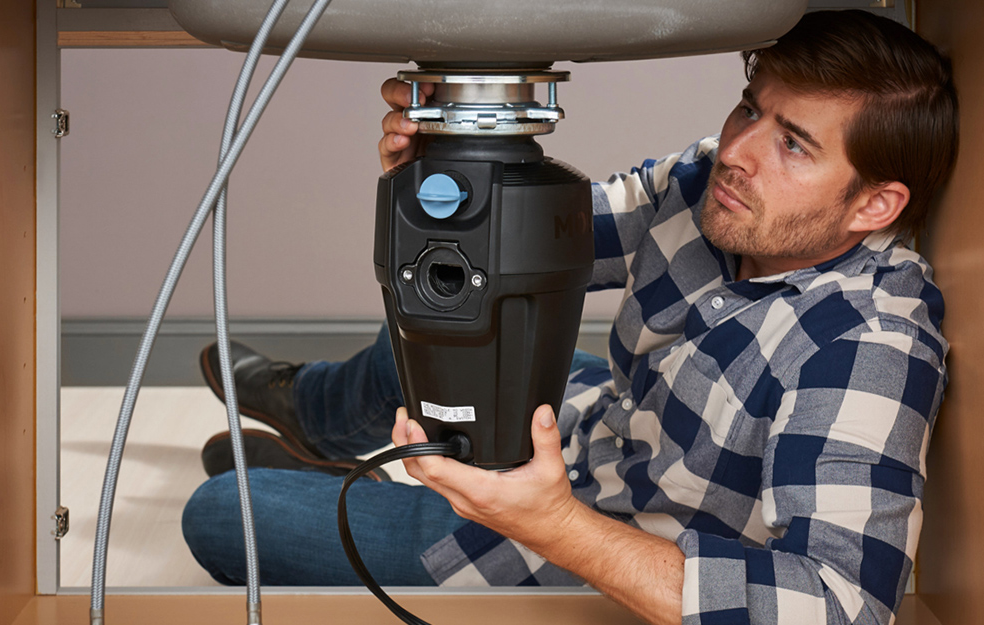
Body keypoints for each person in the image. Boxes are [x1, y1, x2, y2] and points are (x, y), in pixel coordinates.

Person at [181, 10, 958, 625]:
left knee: (223, 511)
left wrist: (554, 523)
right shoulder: (712, 190)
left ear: (873, 204)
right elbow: (527, 244)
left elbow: (837, 604)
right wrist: (444, 180)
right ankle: (310, 409)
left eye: (791, 144)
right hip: (603, 428)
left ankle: (353, 482)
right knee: (434, 329)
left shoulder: (866, 346)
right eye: (749, 110)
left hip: (589, 534)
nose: (737, 151)